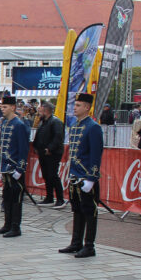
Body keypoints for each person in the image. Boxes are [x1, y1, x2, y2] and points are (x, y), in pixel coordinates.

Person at [59, 93, 103, 258]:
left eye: (78, 105)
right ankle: (76, 242)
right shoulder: (75, 126)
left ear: (87, 107)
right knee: (77, 209)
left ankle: (89, 246)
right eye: (75, 105)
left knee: (89, 211)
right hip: (75, 175)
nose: (74, 108)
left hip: (85, 177)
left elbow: (96, 155)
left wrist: (91, 178)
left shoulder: (93, 127)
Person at [0, 94, 30, 238]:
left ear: (13, 107)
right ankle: (7, 224)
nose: (2, 109)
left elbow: (23, 149)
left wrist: (20, 169)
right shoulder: (4, 123)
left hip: (14, 168)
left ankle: (16, 227)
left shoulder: (19, 125)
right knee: (7, 197)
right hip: (5, 167)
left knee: (16, 199)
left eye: (5, 107)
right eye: (2, 107)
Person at [33, 102, 65, 207]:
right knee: (46, 175)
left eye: (40, 110)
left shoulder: (56, 122)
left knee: (53, 175)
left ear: (46, 110)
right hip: (43, 153)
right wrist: (36, 146)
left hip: (53, 153)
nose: (39, 112)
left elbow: (58, 137)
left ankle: (60, 199)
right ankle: (49, 197)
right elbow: (39, 135)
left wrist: (50, 148)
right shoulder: (43, 122)